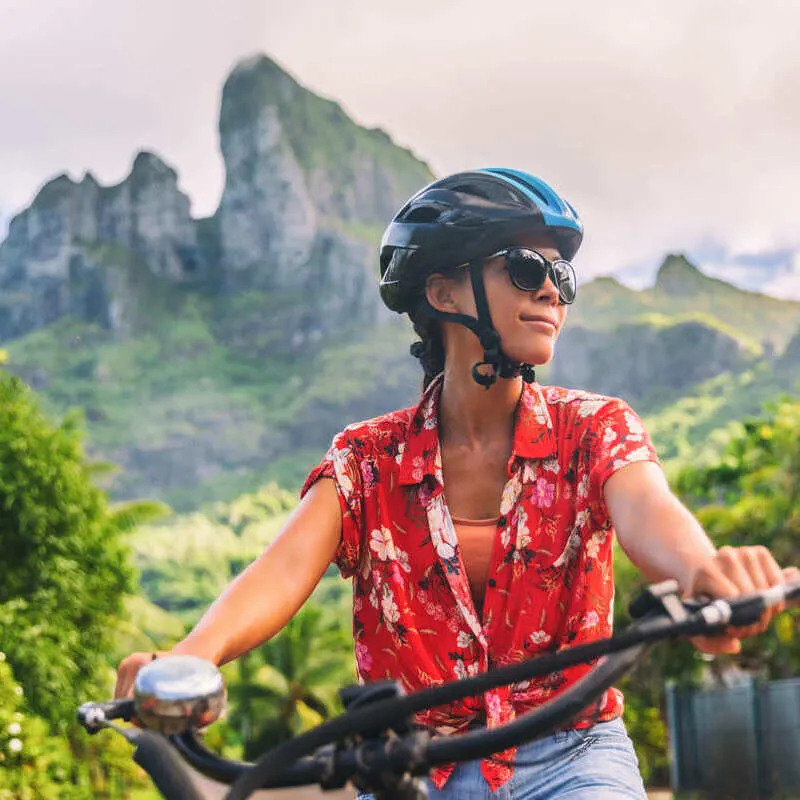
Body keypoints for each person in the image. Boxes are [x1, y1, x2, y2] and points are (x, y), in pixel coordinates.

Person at [115, 169, 798, 799]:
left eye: (561, 275)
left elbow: (649, 509)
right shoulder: (365, 460)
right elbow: (281, 571)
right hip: (410, 768)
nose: (550, 290)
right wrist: (182, 661)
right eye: (527, 268)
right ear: (443, 293)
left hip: (574, 757)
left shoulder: (593, 430)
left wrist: (708, 572)